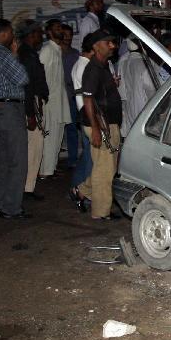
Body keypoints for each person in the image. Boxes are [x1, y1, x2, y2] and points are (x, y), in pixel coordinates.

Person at [0, 19, 30, 219]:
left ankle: (2, 203)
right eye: (11, 32)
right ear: (4, 34)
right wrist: (15, 53)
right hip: (9, 109)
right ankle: (12, 208)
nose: (14, 37)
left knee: (4, 160)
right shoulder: (2, 54)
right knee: (18, 160)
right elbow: (22, 78)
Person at [81, 29, 123, 220]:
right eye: (108, 43)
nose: (113, 46)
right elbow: (88, 100)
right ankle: (100, 212)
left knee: (107, 166)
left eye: (113, 42)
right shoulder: (92, 69)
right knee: (104, 170)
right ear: (96, 46)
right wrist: (96, 129)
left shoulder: (103, 66)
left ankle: (81, 191)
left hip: (109, 122)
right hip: (100, 124)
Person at [17, 21, 49, 202]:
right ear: (30, 35)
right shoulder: (27, 55)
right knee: (34, 147)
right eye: (38, 33)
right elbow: (27, 87)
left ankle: (27, 186)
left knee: (33, 147)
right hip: (30, 104)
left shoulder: (27, 53)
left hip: (32, 103)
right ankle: (27, 188)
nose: (40, 36)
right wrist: (30, 113)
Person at [38, 20, 71, 179]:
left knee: (57, 137)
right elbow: (40, 76)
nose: (61, 31)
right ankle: (45, 171)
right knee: (49, 138)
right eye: (57, 28)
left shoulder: (57, 50)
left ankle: (51, 167)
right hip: (50, 102)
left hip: (59, 100)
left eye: (61, 28)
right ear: (49, 32)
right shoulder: (47, 50)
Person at [69, 36, 95, 212]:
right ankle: (83, 194)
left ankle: (76, 188)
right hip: (87, 114)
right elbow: (89, 94)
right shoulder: (85, 66)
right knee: (91, 158)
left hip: (83, 113)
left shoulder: (79, 64)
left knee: (87, 156)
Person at [118, 38, 158, 134]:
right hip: (143, 106)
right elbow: (151, 88)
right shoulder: (144, 62)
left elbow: (121, 88)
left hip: (128, 105)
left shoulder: (123, 60)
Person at [59, 25, 81, 169]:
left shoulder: (75, 54)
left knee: (72, 129)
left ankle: (72, 159)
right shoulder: (56, 52)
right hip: (59, 97)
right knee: (58, 129)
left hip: (71, 96)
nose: (68, 38)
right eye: (65, 35)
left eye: (70, 35)